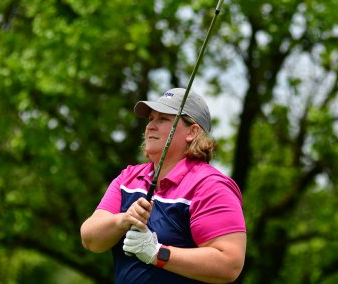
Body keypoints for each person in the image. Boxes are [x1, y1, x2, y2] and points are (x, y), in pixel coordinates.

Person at [80, 88, 247, 284]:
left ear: (192, 132)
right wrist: (124, 220)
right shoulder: (129, 178)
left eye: (163, 119)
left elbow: (229, 264)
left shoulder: (209, 186)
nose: (150, 126)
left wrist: (157, 253)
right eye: (151, 118)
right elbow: (90, 239)